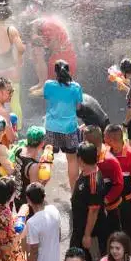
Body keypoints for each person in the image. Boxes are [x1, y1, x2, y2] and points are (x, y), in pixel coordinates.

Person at [44, 59, 84, 187]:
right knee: (72, 160)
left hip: (51, 127)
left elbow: (47, 98)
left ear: (55, 72)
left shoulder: (48, 85)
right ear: (68, 71)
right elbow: (78, 107)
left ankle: (38, 189)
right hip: (69, 128)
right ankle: (74, 193)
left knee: (47, 158)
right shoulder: (76, 87)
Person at [104, 124, 131, 256]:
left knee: (129, 231)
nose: (103, 140)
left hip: (126, 202)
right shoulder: (106, 152)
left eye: (105, 137)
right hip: (110, 202)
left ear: (111, 140)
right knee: (112, 231)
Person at [71, 142, 108, 261]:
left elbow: (94, 211)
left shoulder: (93, 182)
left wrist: (87, 235)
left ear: (80, 159)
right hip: (79, 227)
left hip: (89, 231)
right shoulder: (86, 171)